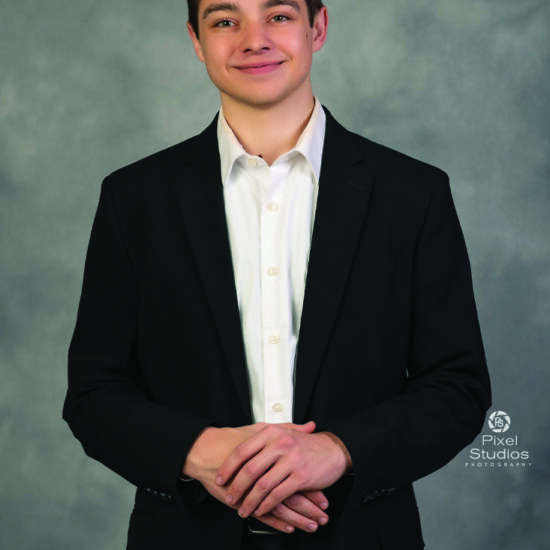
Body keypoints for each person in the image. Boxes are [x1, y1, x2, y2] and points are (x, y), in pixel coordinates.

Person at [63, 1, 491, 548]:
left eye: (279, 16)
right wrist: (205, 452)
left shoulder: (413, 194)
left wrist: (337, 449)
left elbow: (457, 388)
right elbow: (95, 393)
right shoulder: (134, 199)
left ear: (318, 27)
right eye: (225, 21)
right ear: (196, 41)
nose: (253, 38)